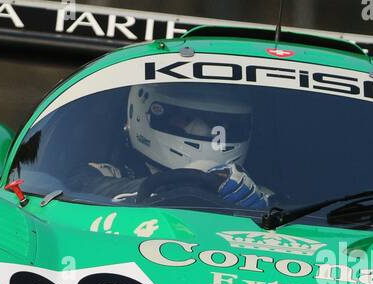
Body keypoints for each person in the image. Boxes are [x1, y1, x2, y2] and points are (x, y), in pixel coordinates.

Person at [74, 82, 271, 209]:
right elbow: (76, 191)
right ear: (142, 114)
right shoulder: (108, 176)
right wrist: (180, 184)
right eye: (185, 119)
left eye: (216, 122)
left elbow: (290, 216)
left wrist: (262, 207)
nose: (203, 130)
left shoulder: (252, 193)